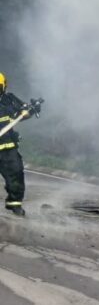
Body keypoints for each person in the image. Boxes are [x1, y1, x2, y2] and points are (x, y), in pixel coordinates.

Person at [0, 71, 40, 216]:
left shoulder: (9, 99)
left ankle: (15, 204)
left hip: (7, 148)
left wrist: (31, 109)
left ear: (3, 87)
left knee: (16, 173)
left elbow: (22, 112)